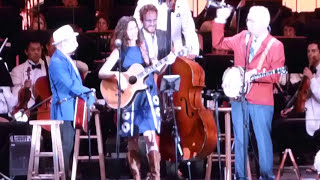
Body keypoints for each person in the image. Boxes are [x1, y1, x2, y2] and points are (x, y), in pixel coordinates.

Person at [212, 6, 285, 179]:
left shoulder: (275, 45)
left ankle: (266, 176)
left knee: (262, 140)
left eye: (252, 20)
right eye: (248, 19)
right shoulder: (242, 37)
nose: (248, 23)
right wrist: (220, 20)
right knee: (240, 140)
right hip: (240, 98)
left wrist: (254, 75)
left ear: (264, 23)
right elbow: (218, 43)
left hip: (261, 99)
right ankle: (240, 176)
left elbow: (276, 76)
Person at [98, 16, 175, 180]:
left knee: (150, 136)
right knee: (132, 139)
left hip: (147, 95)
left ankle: (155, 176)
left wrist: (168, 61)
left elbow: (156, 69)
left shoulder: (143, 47)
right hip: (131, 98)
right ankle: (137, 177)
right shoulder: (119, 51)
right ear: (123, 31)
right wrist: (117, 74)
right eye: (130, 28)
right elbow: (101, 72)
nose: (134, 31)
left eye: (135, 28)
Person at [48, 24, 95, 178]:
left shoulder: (65, 59)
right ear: (63, 42)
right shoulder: (57, 61)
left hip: (72, 108)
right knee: (65, 145)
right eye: (72, 39)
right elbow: (71, 84)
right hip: (64, 109)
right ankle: (63, 175)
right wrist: (87, 92)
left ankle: (69, 173)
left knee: (70, 144)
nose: (75, 41)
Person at [133, 0, 199, 59]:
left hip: (177, 55)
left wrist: (192, 52)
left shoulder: (181, 2)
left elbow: (189, 30)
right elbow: (135, 30)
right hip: (152, 56)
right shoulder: (144, 2)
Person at [11, 39, 47, 109]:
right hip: (27, 109)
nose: (36, 52)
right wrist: (24, 88)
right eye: (33, 50)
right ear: (26, 52)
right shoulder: (17, 70)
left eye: (38, 49)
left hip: (45, 107)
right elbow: (14, 96)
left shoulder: (47, 68)